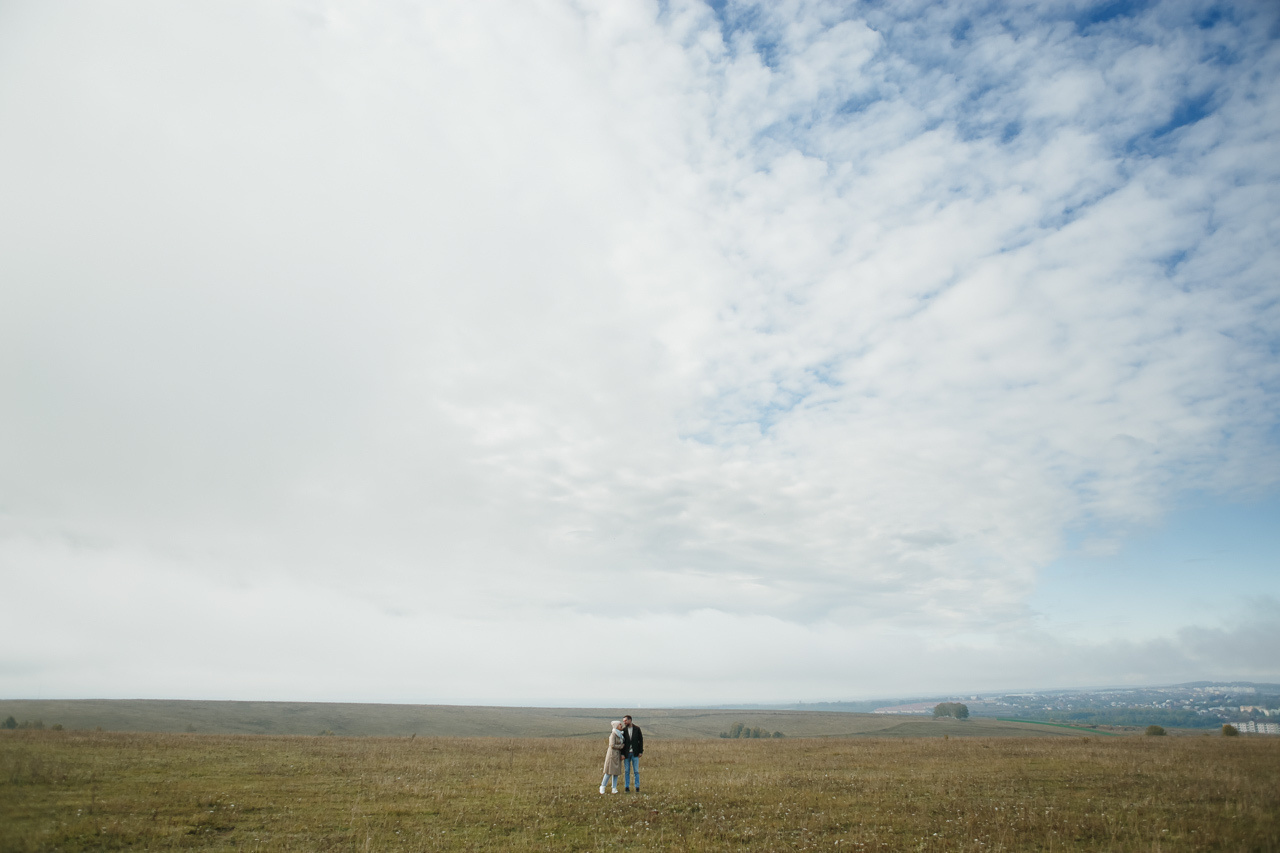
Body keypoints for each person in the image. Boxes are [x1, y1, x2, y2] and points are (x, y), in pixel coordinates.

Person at [599, 720, 624, 794]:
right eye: (620, 725)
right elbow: (612, 745)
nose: (621, 726)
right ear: (616, 726)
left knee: (616, 772)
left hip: (617, 755)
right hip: (612, 755)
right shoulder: (613, 734)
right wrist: (621, 746)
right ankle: (602, 786)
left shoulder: (620, 734)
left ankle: (614, 788)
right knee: (608, 772)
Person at [622, 714, 644, 792]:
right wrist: (622, 754)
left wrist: (641, 751)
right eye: (623, 721)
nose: (624, 722)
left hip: (635, 753)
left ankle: (637, 787)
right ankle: (626, 787)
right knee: (627, 771)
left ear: (630, 720)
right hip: (626, 754)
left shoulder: (637, 729)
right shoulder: (623, 730)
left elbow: (640, 740)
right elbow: (622, 743)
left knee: (636, 771)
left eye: (625, 721)